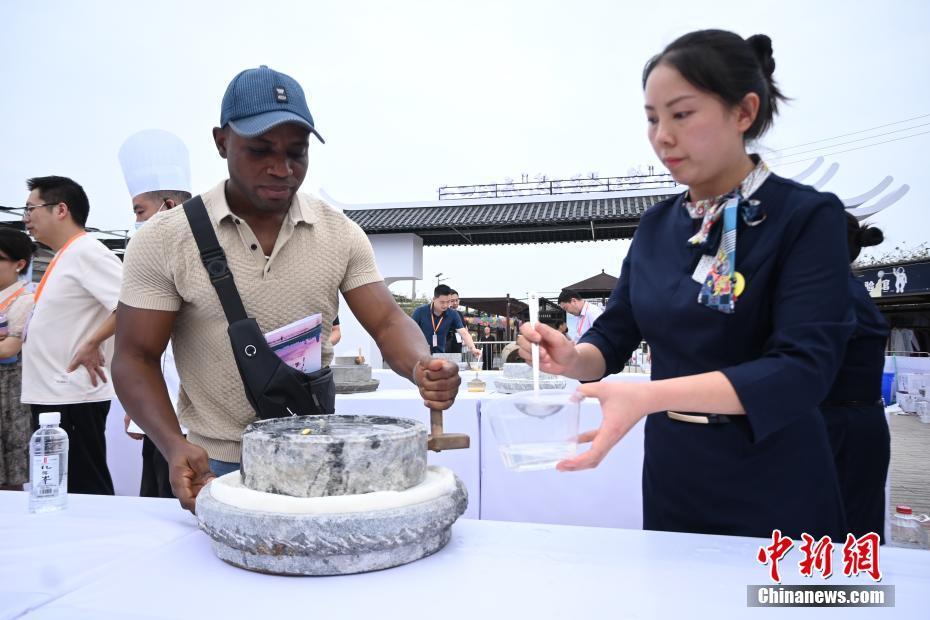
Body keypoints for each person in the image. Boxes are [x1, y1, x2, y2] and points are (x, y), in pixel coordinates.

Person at [519, 30, 853, 540]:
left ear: (743, 112)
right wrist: (571, 358)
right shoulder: (657, 226)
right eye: (652, 119)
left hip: (776, 471)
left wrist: (648, 396)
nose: (662, 137)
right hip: (675, 470)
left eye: (681, 114)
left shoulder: (805, 217)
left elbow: (803, 369)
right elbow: (615, 335)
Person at [113, 65, 460, 512]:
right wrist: (172, 443)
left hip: (318, 455)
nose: (281, 168)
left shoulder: (340, 233)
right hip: (217, 465)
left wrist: (421, 366)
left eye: (297, 152)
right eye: (260, 150)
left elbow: (388, 320)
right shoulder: (164, 239)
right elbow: (134, 356)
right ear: (222, 142)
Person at [21, 175, 123, 495]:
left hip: (73, 395)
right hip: (54, 394)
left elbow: (133, 304)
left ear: (60, 209)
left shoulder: (87, 252)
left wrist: (93, 342)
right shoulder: (67, 254)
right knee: (60, 489)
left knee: (85, 486)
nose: (26, 218)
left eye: (30, 208)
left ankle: (101, 544)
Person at [117, 128, 193, 498]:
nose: (136, 222)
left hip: (195, 422)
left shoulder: (202, 253)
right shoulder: (150, 255)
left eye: (139, 211)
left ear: (170, 206)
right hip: (163, 415)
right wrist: (144, 405)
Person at [820, 215, 890, 540]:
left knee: (828, 528)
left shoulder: (831, 295)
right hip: (862, 420)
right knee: (859, 523)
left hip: (838, 424)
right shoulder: (852, 289)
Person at [0, 229, 34, 491]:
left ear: (19, 264)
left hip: (9, 392)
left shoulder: (25, 300)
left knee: (11, 464)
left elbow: (9, 348)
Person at [412, 284, 481, 358]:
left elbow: (464, 332)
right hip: (421, 354)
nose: (445, 305)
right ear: (434, 299)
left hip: (440, 355)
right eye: (442, 302)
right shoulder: (420, 311)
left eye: (448, 302)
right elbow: (410, 331)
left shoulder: (453, 314)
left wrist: (473, 348)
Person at [445, 289, 465, 353]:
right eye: (452, 301)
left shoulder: (459, 314)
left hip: (457, 342)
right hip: (444, 342)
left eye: (457, 300)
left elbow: (464, 329)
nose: (455, 303)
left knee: (457, 361)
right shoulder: (441, 313)